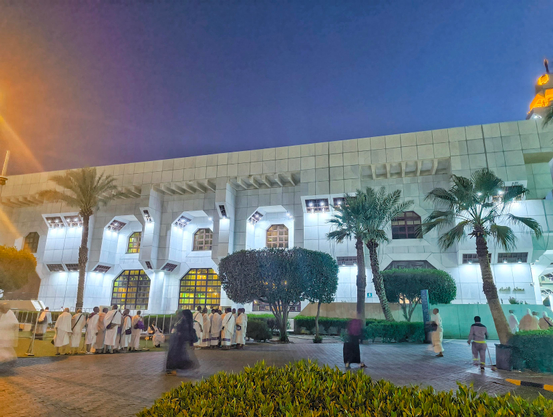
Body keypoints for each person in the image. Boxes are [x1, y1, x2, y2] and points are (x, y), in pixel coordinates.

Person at [165, 310, 198, 376]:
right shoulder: (184, 321)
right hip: (177, 341)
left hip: (178, 342)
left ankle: (173, 369)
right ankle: (172, 369)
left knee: (175, 356)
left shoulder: (185, 322)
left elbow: (184, 331)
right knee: (175, 356)